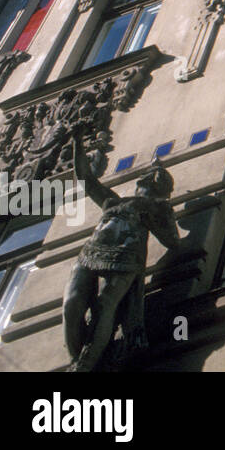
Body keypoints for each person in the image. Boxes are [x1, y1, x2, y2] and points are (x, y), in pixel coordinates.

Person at [63, 143, 180, 372]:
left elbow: (173, 241)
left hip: (126, 257)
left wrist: (151, 219)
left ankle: (85, 364)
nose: (152, 174)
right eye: (150, 174)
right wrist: (78, 141)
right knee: (72, 303)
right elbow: (85, 177)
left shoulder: (160, 209)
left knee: (105, 304)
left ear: (163, 189)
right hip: (90, 253)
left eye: (158, 176)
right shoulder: (112, 201)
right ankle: (76, 356)